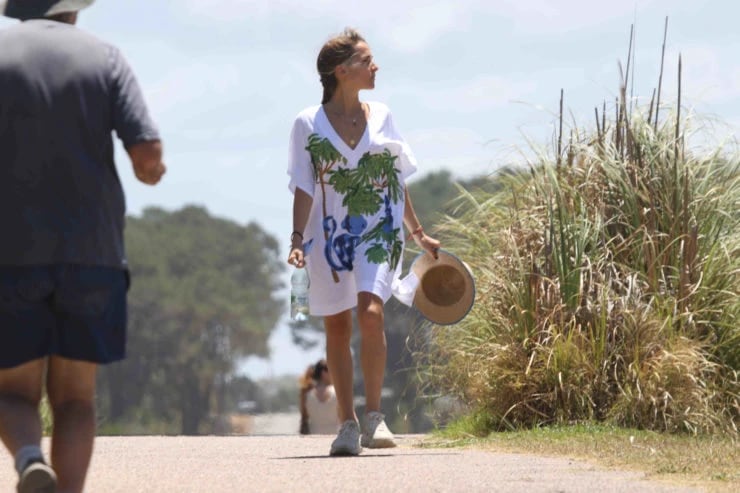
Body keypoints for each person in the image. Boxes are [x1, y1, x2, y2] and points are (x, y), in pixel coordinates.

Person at [0, 1, 165, 491]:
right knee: (75, 399)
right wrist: (150, 173)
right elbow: (147, 155)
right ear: (71, 10)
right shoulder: (104, 57)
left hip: (11, 252)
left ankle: (30, 455)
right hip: (91, 252)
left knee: (12, 393)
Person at [286, 27, 440, 456]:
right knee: (337, 324)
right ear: (341, 70)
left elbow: (395, 178)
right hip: (328, 234)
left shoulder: (382, 115)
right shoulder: (307, 124)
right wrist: (297, 238)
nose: (375, 66)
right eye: (366, 60)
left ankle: (374, 417)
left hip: (378, 230)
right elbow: (303, 186)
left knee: (370, 312)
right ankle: (347, 425)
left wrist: (417, 232)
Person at [298, 359, 340, 435]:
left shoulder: (306, 394)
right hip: (335, 436)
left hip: (313, 436)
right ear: (324, 373)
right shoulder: (337, 392)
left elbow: (304, 419)